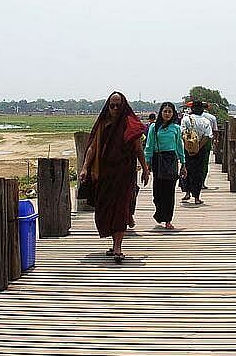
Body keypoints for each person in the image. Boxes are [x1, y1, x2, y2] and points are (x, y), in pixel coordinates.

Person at [79, 91, 149, 263]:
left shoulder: (129, 124)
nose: (115, 109)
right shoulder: (103, 124)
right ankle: (114, 242)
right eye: (112, 105)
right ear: (107, 106)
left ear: (124, 106)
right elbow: (92, 148)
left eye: (118, 105)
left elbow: (138, 149)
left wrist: (146, 169)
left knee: (120, 208)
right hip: (104, 174)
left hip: (124, 174)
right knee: (105, 209)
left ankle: (118, 246)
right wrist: (85, 168)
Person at [143, 102, 186, 229]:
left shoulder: (176, 128)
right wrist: (147, 163)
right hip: (157, 159)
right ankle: (159, 212)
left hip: (171, 160)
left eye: (170, 111)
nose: (167, 114)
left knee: (169, 190)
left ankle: (168, 219)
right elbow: (149, 146)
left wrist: (183, 163)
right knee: (157, 191)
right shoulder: (153, 128)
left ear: (173, 114)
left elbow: (180, 147)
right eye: (165, 111)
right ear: (161, 113)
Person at [180, 100, 213, 204]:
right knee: (198, 172)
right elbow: (207, 136)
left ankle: (187, 193)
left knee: (186, 170)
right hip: (200, 149)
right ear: (202, 110)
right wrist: (198, 147)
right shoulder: (206, 121)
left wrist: (189, 147)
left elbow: (182, 133)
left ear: (192, 109)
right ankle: (197, 198)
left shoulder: (185, 119)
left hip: (186, 148)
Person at [200, 103, 219, 190]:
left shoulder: (191, 116)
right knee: (204, 163)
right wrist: (215, 141)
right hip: (207, 141)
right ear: (208, 108)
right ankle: (202, 183)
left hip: (193, 141)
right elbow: (215, 131)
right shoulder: (212, 117)